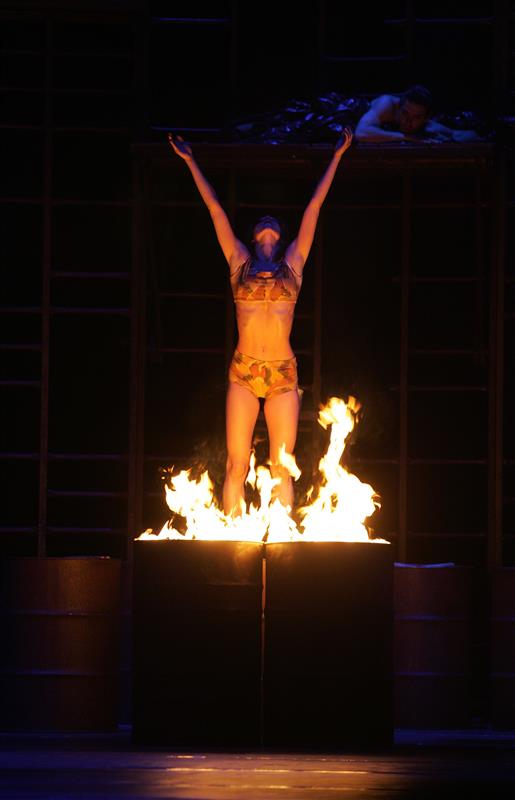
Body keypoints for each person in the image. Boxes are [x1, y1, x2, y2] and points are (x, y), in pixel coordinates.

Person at [167, 128, 353, 515]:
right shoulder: (240, 263)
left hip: (282, 372)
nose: (267, 221)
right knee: (236, 465)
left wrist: (336, 157)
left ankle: (283, 541)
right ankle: (232, 539)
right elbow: (215, 209)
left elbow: (314, 207)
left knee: (282, 468)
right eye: (261, 221)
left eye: (273, 221)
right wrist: (190, 161)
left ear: (280, 237)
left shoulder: (292, 266)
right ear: (254, 237)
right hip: (244, 371)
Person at [355, 85, 480, 143]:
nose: (408, 121)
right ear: (399, 108)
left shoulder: (429, 125)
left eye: (417, 117)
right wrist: (405, 137)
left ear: (425, 118)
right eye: (405, 113)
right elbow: (361, 132)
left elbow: (468, 135)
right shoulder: (387, 104)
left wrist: (447, 141)